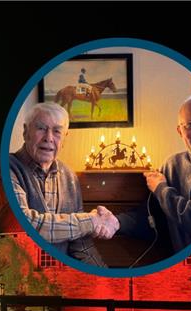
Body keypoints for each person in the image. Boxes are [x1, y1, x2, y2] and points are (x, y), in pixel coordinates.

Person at [109, 93, 191, 253]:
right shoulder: (171, 165)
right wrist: (115, 222)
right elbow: (150, 217)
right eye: (189, 125)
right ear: (180, 131)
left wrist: (161, 188)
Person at [9, 102, 119, 267]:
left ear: (65, 138)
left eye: (57, 131)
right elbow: (28, 225)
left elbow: (81, 246)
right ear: (26, 132)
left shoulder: (69, 177)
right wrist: (91, 221)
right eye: (41, 128)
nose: (49, 137)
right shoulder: (9, 167)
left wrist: (107, 277)